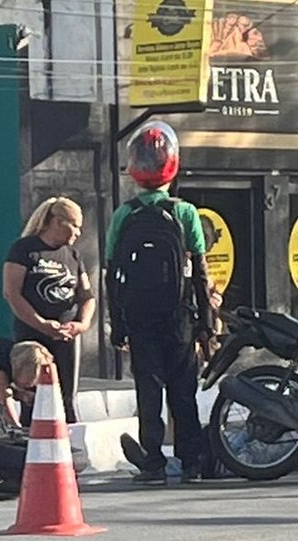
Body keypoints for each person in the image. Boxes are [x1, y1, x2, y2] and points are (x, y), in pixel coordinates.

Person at [105, 120, 215, 486]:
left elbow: (112, 273)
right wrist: (206, 323)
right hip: (178, 316)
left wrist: (117, 324)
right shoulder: (185, 213)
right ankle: (191, 460)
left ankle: (151, 461)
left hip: (139, 318)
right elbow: (200, 272)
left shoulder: (125, 214)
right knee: (183, 391)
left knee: (148, 390)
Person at [3, 197, 95, 424]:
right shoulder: (24, 249)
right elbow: (12, 293)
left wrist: (81, 324)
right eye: (74, 225)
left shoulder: (73, 255)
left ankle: (68, 444)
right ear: (57, 221)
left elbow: (87, 296)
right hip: (32, 334)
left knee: (65, 396)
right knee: (32, 396)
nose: (77, 233)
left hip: (66, 335)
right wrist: (41, 324)